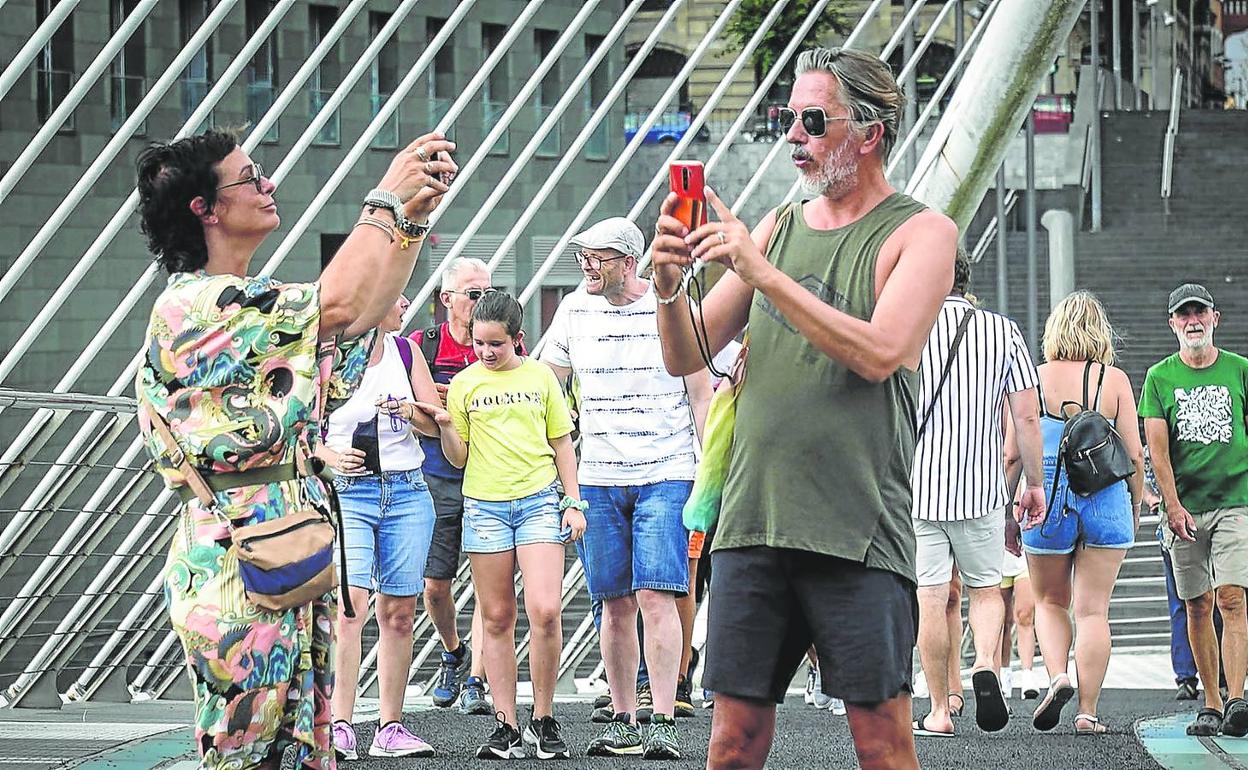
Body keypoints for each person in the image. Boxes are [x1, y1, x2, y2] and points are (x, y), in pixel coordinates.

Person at [652, 47, 957, 770]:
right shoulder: (778, 225)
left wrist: (763, 274)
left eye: (813, 121)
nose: (794, 135)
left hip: (855, 530)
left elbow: (882, 351)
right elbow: (686, 353)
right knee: (731, 743)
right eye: (786, 118)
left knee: (882, 743)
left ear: (871, 131)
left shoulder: (922, 233)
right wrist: (668, 284)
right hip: (753, 522)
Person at [134, 128, 456, 768]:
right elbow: (338, 303)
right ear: (206, 209)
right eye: (249, 178)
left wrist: (411, 222)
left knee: (303, 750)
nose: (267, 184)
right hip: (239, 567)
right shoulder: (197, 308)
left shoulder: (243, 304)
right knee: (246, 753)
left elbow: (362, 312)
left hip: (280, 552)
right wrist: (386, 201)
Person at [540, 217, 711, 759]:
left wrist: (708, 470)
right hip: (598, 475)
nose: (588, 266)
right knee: (612, 601)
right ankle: (623, 717)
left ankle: (662, 716)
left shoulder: (671, 306)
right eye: (583, 256)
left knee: (656, 594)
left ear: (629, 260)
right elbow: (546, 383)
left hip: (667, 469)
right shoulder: (573, 309)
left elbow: (703, 393)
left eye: (599, 257)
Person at [420, 291, 588, 760]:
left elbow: (562, 444)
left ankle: (544, 716)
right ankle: (505, 723)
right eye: (479, 344)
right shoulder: (465, 384)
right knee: (496, 617)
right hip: (484, 507)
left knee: (546, 610)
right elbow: (459, 457)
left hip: (539, 502)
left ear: (519, 339)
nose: (486, 353)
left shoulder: (541, 379)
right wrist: (448, 426)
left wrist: (573, 503)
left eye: (497, 344)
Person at [909, 253, 1044, 738]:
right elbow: (1027, 418)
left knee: (930, 595)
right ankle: (985, 661)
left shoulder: (910, 326)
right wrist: (1033, 483)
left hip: (920, 486)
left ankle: (940, 711)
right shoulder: (1002, 332)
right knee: (986, 590)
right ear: (967, 282)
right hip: (981, 487)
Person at [1009, 290, 1145, 735]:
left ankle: (1057, 676)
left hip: (1044, 492)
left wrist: (1009, 510)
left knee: (1049, 601)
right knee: (1093, 612)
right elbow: (1136, 455)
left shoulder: (1035, 375)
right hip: (1104, 492)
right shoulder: (1115, 379)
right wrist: (1134, 505)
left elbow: (1012, 453)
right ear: (1099, 332)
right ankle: (1088, 712)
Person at [318, 295, 441, 760]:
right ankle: (342, 723)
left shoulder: (406, 352)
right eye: (394, 297)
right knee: (351, 607)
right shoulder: (329, 357)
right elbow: (303, 430)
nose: (405, 304)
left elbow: (436, 426)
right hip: (351, 492)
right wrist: (331, 457)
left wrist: (410, 411)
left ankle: (390, 726)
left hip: (407, 490)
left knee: (400, 612)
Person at [1142, 283, 1248, 737]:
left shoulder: (1240, 370)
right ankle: (1211, 700)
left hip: (1234, 502)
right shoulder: (1159, 377)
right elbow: (1157, 451)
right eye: (1183, 315)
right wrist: (1171, 505)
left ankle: (1238, 698)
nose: (1192, 322)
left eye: (1199, 313)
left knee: (1232, 598)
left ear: (1215, 318)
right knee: (1198, 604)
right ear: (1172, 324)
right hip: (1185, 508)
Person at [412, 257, 501, 716]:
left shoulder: (502, 346)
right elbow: (406, 408)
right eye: (473, 294)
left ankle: (475, 681)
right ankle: (453, 651)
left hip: (490, 479)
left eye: (488, 292)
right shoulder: (422, 347)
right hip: (436, 479)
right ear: (447, 300)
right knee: (434, 587)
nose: (482, 302)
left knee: (490, 590)